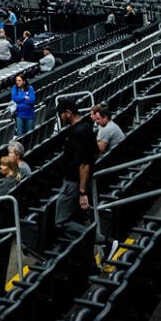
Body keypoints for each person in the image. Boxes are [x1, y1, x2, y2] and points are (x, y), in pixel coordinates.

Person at [54, 100, 100, 237]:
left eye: (61, 114)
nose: (60, 118)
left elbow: (84, 164)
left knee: (61, 222)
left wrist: (82, 193)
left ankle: (102, 241)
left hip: (73, 184)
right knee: (78, 219)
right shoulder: (86, 127)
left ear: (68, 113)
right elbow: (96, 152)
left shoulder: (77, 133)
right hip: (78, 182)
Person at [11, 72, 37, 137]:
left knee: (29, 134)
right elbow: (14, 98)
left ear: (24, 81)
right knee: (20, 135)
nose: (17, 82)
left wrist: (20, 101)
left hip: (29, 115)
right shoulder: (15, 88)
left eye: (19, 80)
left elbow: (32, 100)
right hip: (19, 115)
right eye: (16, 80)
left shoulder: (30, 88)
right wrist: (24, 97)